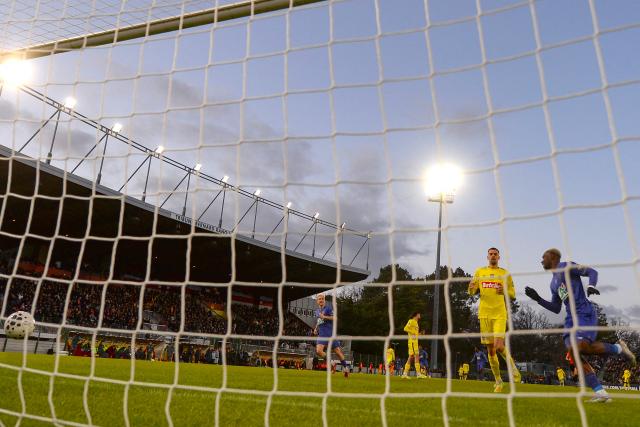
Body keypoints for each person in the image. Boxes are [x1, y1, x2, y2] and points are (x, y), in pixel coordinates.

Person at [525, 248, 637, 403]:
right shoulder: (553, 284)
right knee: (573, 353)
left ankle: (618, 349)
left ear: (553, 257)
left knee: (578, 348)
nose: (541, 260)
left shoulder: (567, 266)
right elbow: (556, 308)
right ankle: (601, 392)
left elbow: (592, 272)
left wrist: (591, 285)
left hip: (584, 312)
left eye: (544, 257)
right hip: (571, 319)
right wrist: (538, 299)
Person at [468, 247, 521, 392]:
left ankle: (514, 370)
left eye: (495, 254)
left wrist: (503, 291)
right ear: (487, 257)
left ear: (499, 257)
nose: (493, 256)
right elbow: (472, 291)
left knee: (498, 345)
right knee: (491, 351)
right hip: (484, 314)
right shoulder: (480, 272)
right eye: (490, 254)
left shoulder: (505, 273)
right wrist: (471, 287)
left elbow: (512, 293)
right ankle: (498, 380)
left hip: (499, 314)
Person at [313, 294, 349, 378]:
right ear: (317, 301)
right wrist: (316, 328)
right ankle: (332, 362)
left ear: (324, 300)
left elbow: (335, 318)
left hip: (330, 334)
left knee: (338, 352)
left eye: (322, 299)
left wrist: (325, 316)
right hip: (322, 334)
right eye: (319, 299)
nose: (321, 300)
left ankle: (345, 368)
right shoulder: (317, 311)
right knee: (318, 351)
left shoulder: (328, 309)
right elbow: (319, 320)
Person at [401, 312, 427, 379]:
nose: (420, 315)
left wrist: (420, 334)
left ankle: (408, 373)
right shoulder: (411, 321)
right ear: (416, 315)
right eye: (419, 314)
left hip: (415, 342)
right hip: (412, 342)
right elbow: (405, 328)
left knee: (413, 357)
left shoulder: (416, 323)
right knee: (414, 356)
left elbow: (415, 334)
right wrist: (413, 333)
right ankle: (414, 374)